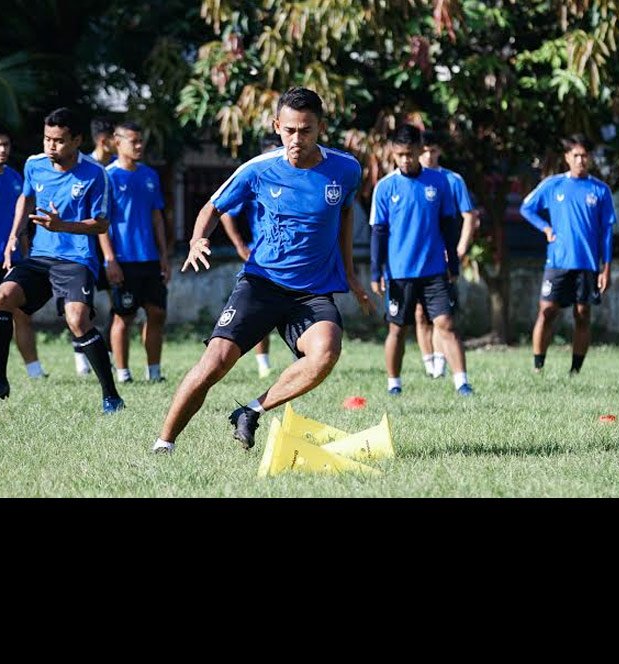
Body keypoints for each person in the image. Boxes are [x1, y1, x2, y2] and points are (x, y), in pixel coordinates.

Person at [151, 87, 373, 454]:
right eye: (289, 130)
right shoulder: (258, 169)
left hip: (312, 292)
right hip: (261, 283)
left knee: (326, 352)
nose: (296, 139)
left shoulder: (346, 169)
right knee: (214, 364)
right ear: (276, 126)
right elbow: (212, 207)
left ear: (320, 128)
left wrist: (349, 274)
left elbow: (345, 215)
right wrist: (196, 240)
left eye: (305, 130)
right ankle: (164, 443)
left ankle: (250, 411)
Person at [0, 107, 124, 413]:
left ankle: (111, 395)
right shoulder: (34, 165)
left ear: (76, 140)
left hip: (76, 259)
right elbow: (26, 198)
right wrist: (14, 234)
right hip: (40, 257)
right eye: (47, 139)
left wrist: (62, 225)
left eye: (58, 140)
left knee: (78, 320)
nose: (50, 146)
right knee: (2, 297)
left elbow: (101, 224)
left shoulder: (96, 173)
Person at [369, 124, 473, 397]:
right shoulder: (385, 187)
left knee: (446, 324)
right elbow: (379, 233)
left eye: (410, 154)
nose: (406, 159)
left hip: (434, 271)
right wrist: (375, 271)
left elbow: (449, 227)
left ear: (420, 151)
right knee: (398, 329)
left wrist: (453, 265)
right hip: (399, 273)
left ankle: (462, 382)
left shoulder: (439, 183)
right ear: (393, 153)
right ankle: (394, 384)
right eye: (400, 154)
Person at [519, 134, 615, 375]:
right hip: (558, 261)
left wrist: (607, 267)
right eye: (576, 156)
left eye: (584, 156)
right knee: (547, 310)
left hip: (588, 263)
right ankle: (538, 367)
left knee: (582, 314)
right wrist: (546, 228)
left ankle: (575, 371)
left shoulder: (600, 191)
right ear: (567, 158)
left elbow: (606, 232)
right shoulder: (553, 185)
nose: (580, 160)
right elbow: (526, 208)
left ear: (590, 158)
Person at [101, 121, 171, 383]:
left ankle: (154, 372)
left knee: (157, 313)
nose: (139, 145)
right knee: (124, 316)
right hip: (123, 260)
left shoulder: (150, 176)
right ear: (117, 142)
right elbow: (101, 225)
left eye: (141, 140)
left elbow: (157, 218)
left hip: (150, 259)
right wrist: (110, 260)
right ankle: (123, 373)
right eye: (134, 141)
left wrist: (164, 256)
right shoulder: (107, 177)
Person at [0, 124, 47, 380]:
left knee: (23, 314)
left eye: (6, 144)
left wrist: (27, 253)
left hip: (17, 258)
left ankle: (35, 370)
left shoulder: (16, 178)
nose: (3, 149)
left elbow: (25, 222)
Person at [414, 130, 480, 378]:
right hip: (415, 261)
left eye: (433, 150)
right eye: (424, 151)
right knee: (420, 313)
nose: (428, 156)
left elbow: (469, 216)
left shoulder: (452, 180)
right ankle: (430, 365)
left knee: (443, 315)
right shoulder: (409, 181)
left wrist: (459, 249)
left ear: (439, 152)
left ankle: (442, 365)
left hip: (442, 262)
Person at [218, 134, 284, 379]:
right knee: (260, 311)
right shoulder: (255, 177)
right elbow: (224, 212)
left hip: (294, 260)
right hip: (261, 260)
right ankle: (263, 364)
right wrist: (239, 246)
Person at [73, 116, 118, 376]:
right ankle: (80, 356)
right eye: (117, 138)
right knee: (82, 306)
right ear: (105, 140)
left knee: (117, 304)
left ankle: (108, 355)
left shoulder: (116, 168)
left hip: (113, 247)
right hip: (84, 249)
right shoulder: (84, 169)